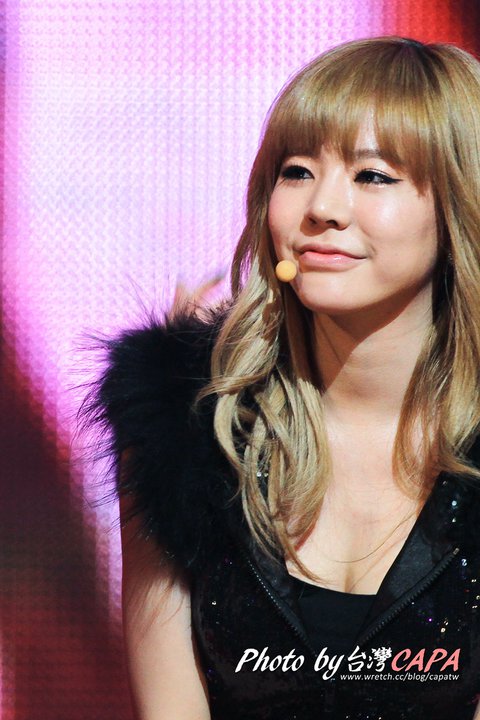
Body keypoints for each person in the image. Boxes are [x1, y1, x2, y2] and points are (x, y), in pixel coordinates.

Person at [83, 36, 480, 719]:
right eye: (297, 171)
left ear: (459, 203)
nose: (322, 207)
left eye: (372, 175)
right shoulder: (182, 424)